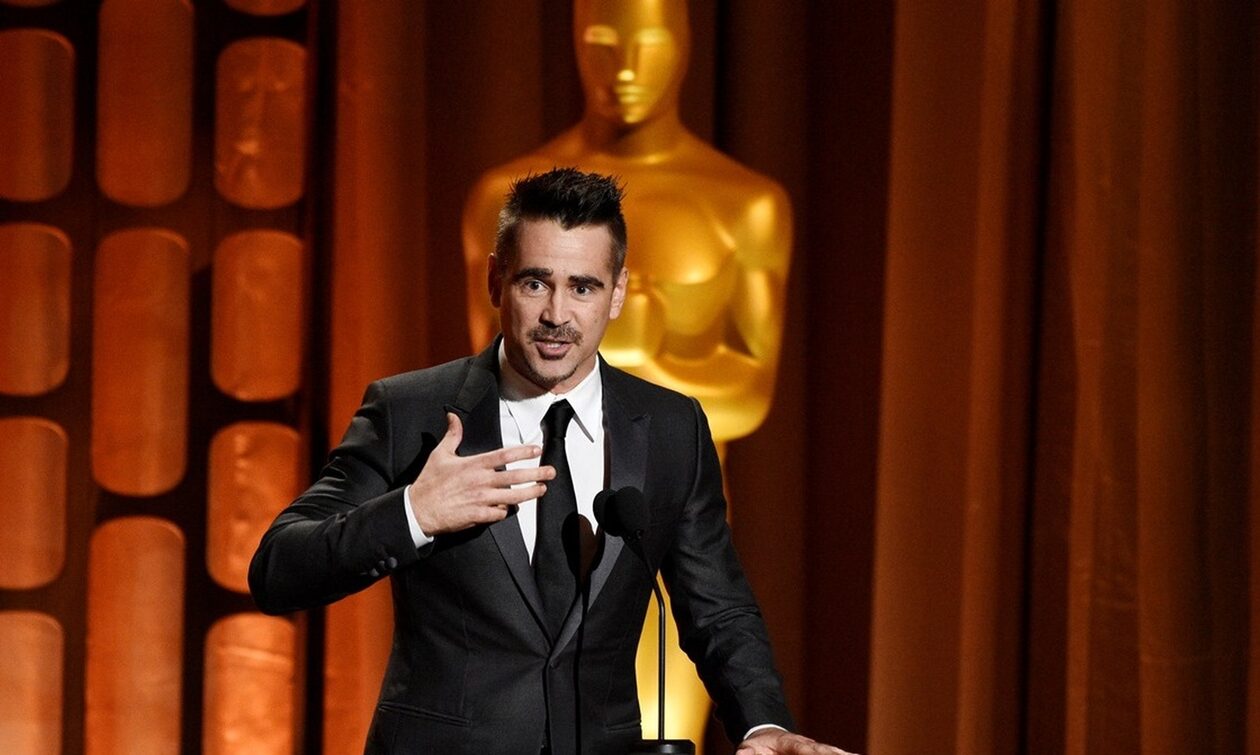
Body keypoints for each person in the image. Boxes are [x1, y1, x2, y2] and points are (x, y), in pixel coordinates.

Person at [250, 169, 850, 755]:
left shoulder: (672, 428)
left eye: (583, 287)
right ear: (496, 281)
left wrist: (761, 724)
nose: (557, 314)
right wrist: (414, 513)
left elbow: (717, 608)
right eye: (535, 283)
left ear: (617, 293)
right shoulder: (410, 413)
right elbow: (278, 569)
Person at [462, 1, 794, 738]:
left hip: (665, 506)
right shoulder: (504, 196)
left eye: (649, 43)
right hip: (530, 493)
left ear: (684, 42)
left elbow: (750, 394)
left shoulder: (744, 204)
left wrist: (641, 359)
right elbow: (488, 376)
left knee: (663, 718)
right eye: (603, 44)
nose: (625, 70)